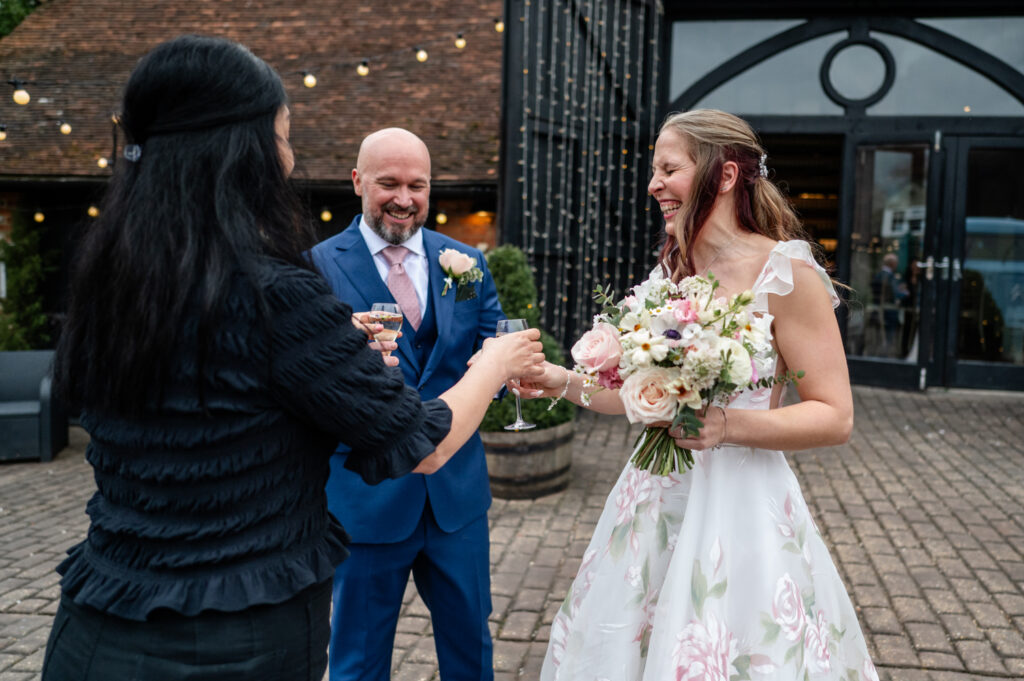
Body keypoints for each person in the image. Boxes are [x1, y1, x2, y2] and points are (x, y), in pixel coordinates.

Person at [43, 35, 543, 681]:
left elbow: (215, 390)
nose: (288, 158)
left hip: (100, 618)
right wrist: (496, 361)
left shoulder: (111, 279)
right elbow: (419, 439)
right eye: (282, 137)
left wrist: (329, 351)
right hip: (232, 638)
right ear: (243, 153)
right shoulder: (280, 287)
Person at [520, 109, 878, 681]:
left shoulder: (786, 274)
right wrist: (561, 381)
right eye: (653, 170)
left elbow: (835, 417)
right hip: (654, 500)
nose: (654, 184)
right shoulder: (673, 271)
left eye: (669, 168)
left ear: (727, 175)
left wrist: (726, 427)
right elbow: (637, 397)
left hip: (742, 505)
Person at [309, 128, 503, 681]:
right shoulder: (316, 266)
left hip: (457, 502)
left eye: (416, 185)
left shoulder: (463, 263)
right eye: (388, 183)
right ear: (357, 182)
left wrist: (517, 375)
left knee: (472, 650)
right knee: (357, 661)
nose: (404, 198)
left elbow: (490, 350)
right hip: (366, 501)